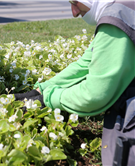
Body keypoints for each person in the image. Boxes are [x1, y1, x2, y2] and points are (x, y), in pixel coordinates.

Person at [14, 0, 135, 165]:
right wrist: (41, 89)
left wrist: (48, 99)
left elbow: (93, 95)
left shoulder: (115, 22)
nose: (74, 12)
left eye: (75, 2)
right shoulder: (123, 8)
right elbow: (85, 64)